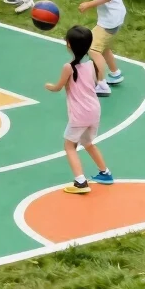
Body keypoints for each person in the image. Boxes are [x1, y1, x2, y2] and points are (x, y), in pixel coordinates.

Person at [44, 25, 114, 194]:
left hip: (79, 115)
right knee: (88, 143)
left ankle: (80, 182)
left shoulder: (69, 67)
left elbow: (58, 87)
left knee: (69, 146)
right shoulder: (92, 65)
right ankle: (105, 173)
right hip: (94, 111)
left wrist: (50, 86)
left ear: (68, 45)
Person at [66, 0, 126, 98]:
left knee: (92, 48)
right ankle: (115, 73)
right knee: (102, 46)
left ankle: (102, 84)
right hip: (114, 17)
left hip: (110, 19)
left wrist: (88, 4)